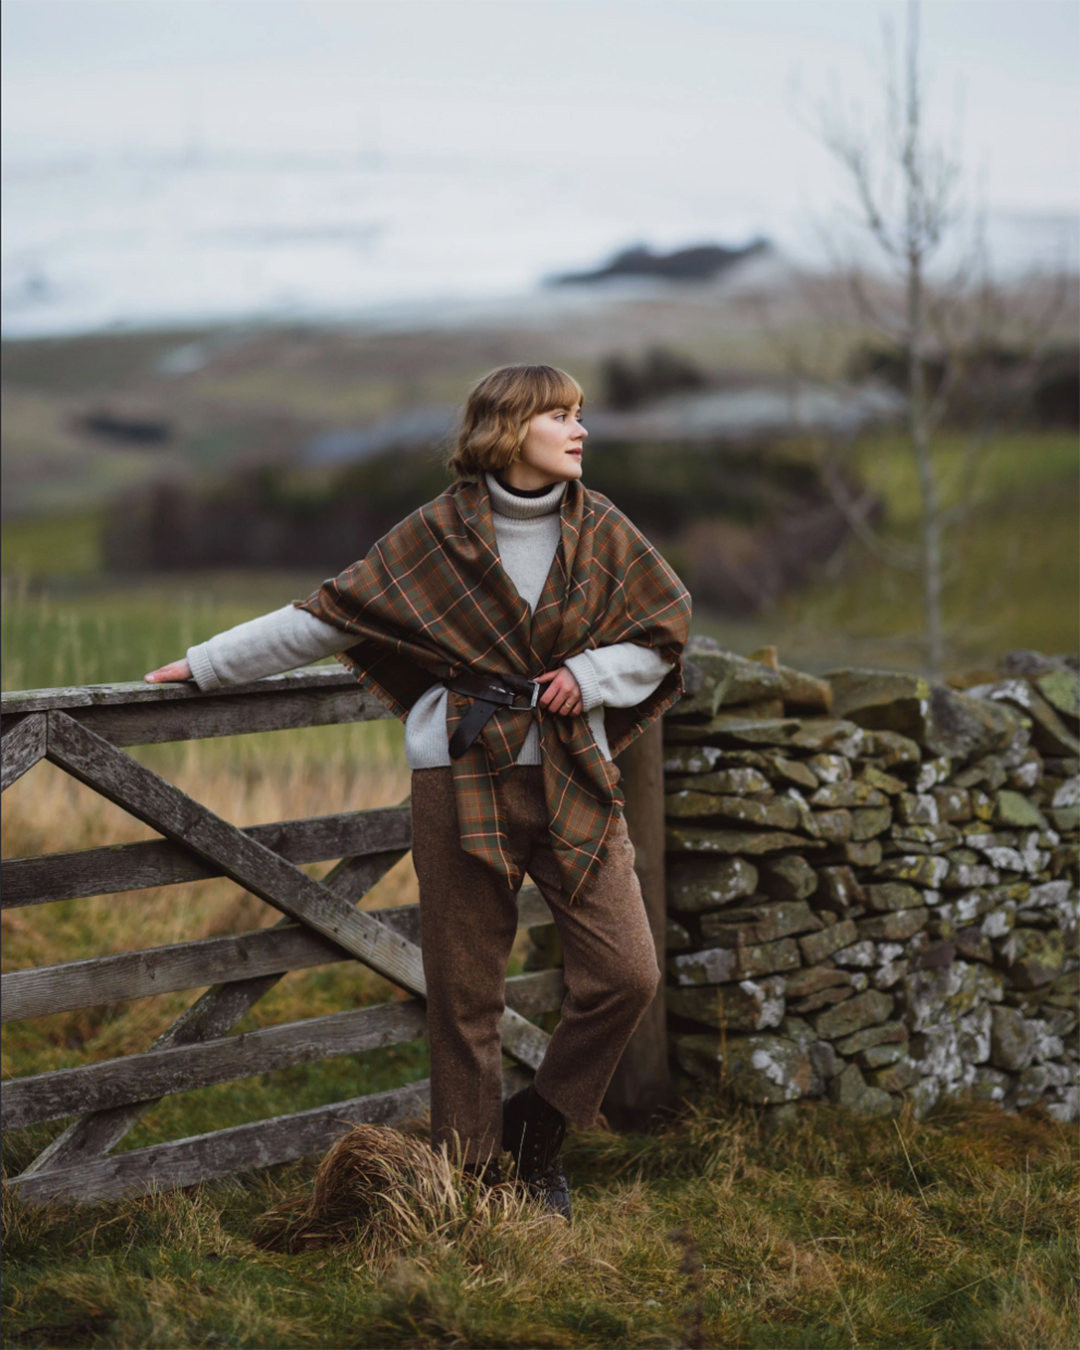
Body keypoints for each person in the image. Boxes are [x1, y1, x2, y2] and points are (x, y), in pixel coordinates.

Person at [145, 364, 691, 1219]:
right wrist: (207, 664)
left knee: (626, 973)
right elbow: (328, 616)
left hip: (572, 775)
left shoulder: (605, 530)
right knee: (465, 996)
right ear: (510, 429)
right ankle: (472, 1187)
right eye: (561, 414)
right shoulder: (435, 535)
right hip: (459, 775)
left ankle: (535, 1134)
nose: (581, 429)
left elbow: (663, 635)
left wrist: (593, 671)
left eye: (581, 413)